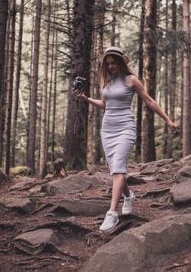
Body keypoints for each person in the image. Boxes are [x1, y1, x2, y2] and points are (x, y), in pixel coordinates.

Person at [75, 46, 177, 232]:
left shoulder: (131, 80)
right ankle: (128, 196)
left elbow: (149, 101)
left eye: (114, 63)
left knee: (118, 169)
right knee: (116, 169)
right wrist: (86, 99)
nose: (111, 66)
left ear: (121, 62)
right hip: (107, 129)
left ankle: (112, 213)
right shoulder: (106, 81)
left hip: (125, 128)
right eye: (108, 64)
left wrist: (167, 119)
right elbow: (105, 104)